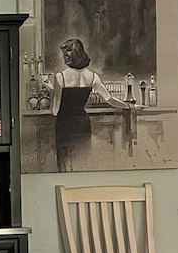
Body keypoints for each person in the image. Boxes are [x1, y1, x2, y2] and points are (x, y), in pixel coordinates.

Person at [51, 38, 138, 172]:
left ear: (70, 56)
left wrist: (51, 90)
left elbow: (55, 111)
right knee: (83, 163)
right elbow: (109, 99)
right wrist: (129, 106)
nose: (63, 58)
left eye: (65, 55)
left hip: (65, 124)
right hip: (83, 124)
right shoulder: (92, 77)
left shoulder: (60, 77)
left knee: (64, 166)